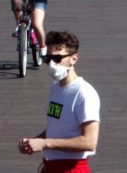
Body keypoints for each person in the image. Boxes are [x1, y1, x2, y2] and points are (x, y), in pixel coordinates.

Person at [18, 31, 100, 173]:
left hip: (71, 168)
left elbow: (89, 142)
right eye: (47, 58)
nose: (51, 63)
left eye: (57, 58)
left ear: (74, 58)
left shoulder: (84, 93)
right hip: (51, 166)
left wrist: (45, 144)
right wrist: (35, 141)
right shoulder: (56, 87)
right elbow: (58, 127)